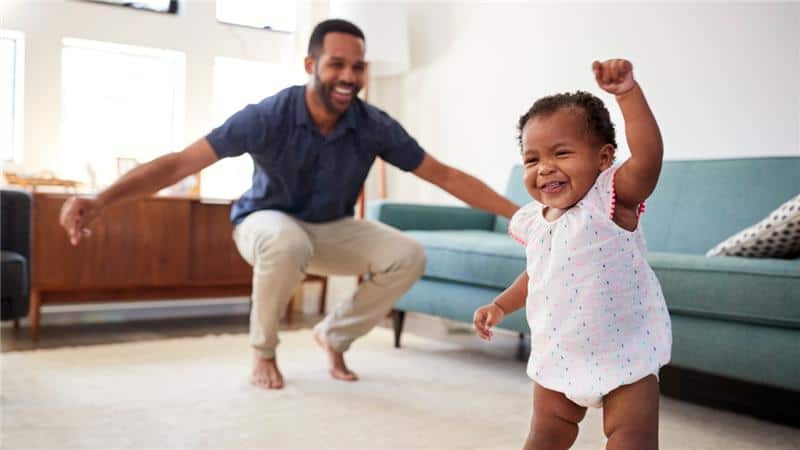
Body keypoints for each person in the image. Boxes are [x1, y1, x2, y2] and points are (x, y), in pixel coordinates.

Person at [60, 19, 518, 390]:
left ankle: (333, 335)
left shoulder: (372, 124)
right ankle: (263, 351)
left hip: (330, 227)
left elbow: (443, 174)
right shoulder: (268, 115)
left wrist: (518, 214)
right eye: (337, 64)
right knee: (284, 240)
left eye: (358, 68)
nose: (348, 77)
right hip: (263, 223)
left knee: (408, 254)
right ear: (310, 63)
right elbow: (181, 162)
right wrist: (102, 199)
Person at [472, 59, 672, 450]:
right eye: (532, 159)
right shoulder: (535, 220)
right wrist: (500, 305)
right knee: (545, 436)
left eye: (561, 154)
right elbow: (539, 274)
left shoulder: (610, 201)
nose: (545, 169)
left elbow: (648, 159)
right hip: (559, 351)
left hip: (624, 354)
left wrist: (627, 96)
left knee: (633, 438)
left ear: (603, 159)